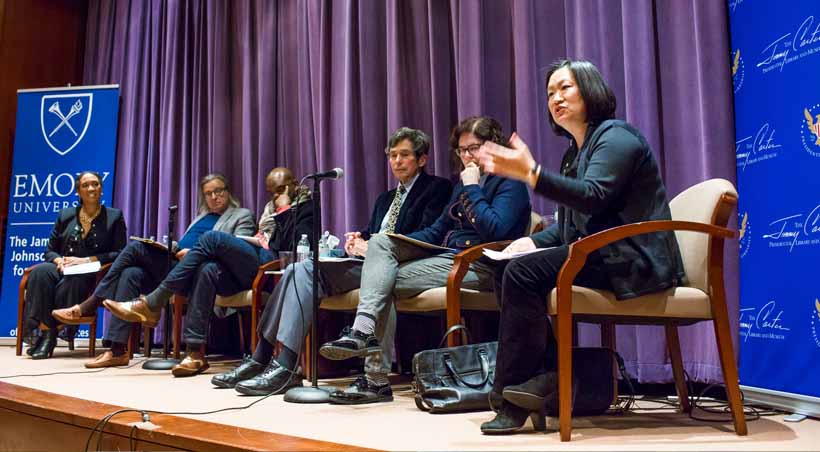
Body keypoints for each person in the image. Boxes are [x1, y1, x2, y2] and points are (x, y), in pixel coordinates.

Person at [475, 59, 686, 434]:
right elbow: (568, 230)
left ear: (590, 89)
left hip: (633, 259)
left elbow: (593, 197)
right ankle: (543, 379)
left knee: (523, 274)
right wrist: (527, 242)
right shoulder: (574, 153)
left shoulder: (617, 137)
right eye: (550, 92)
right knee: (506, 265)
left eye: (565, 88)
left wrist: (532, 174)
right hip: (599, 254)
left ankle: (513, 398)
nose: (555, 98)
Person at [211, 126, 453, 396]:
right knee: (300, 269)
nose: (396, 161)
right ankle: (277, 362)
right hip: (367, 263)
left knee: (362, 261)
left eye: (404, 155)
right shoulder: (385, 198)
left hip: (404, 265)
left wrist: (373, 244)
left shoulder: (438, 188)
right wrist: (357, 239)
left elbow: (429, 235)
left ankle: (364, 373)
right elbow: (372, 231)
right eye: (392, 155)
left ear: (422, 159)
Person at [318, 116, 531, 405]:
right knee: (381, 249)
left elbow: (498, 230)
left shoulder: (509, 182)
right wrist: (393, 244)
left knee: (382, 282)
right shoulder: (461, 185)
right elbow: (435, 232)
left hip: (482, 265)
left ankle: (374, 376)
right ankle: (365, 336)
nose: (467, 156)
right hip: (448, 258)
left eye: (474, 148)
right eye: (462, 150)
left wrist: (472, 188)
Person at [104, 167, 313, 377]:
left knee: (211, 238)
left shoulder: (305, 207)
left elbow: (292, 246)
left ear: (294, 183)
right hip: (223, 266)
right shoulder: (269, 210)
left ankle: (152, 303)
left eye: (281, 189)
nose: (276, 196)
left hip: (264, 268)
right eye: (272, 192)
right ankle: (195, 353)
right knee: (206, 268)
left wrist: (285, 209)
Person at [52, 173, 255, 368]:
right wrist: (168, 246)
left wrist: (194, 252)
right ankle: (117, 350)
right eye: (208, 193)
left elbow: (234, 250)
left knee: (135, 250)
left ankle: (91, 304)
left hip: (205, 272)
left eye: (218, 191)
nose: (214, 197)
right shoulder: (200, 218)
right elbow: (183, 243)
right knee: (131, 269)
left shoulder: (241, 215)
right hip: (179, 267)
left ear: (228, 192)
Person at [22, 171, 127, 360]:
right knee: (40, 273)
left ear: (101, 189)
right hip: (63, 266)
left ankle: (50, 335)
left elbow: (120, 252)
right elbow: (50, 250)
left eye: (95, 184)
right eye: (86, 185)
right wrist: (58, 260)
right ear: (78, 191)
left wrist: (87, 260)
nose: (91, 188)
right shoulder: (66, 215)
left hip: (92, 272)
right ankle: (47, 332)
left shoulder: (114, 216)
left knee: (74, 278)